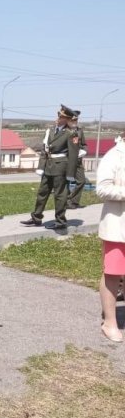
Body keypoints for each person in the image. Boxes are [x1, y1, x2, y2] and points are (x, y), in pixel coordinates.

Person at [21, 105, 80, 233]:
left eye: (61, 117)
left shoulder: (71, 133)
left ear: (67, 119)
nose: (58, 118)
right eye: (58, 115)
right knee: (42, 192)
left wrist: (70, 173)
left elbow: (73, 155)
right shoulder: (50, 130)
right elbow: (45, 150)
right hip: (48, 166)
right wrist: (40, 167)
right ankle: (36, 217)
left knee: (60, 195)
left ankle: (60, 222)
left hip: (61, 166)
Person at [95, 135, 125, 342]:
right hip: (118, 226)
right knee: (113, 273)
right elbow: (102, 188)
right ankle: (110, 322)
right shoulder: (113, 156)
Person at [67, 110, 88, 209]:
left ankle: (73, 201)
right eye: (73, 119)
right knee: (65, 182)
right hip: (67, 161)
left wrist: (83, 151)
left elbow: (84, 144)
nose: (75, 121)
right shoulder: (64, 130)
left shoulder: (79, 130)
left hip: (78, 161)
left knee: (82, 181)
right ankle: (68, 202)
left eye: (76, 119)